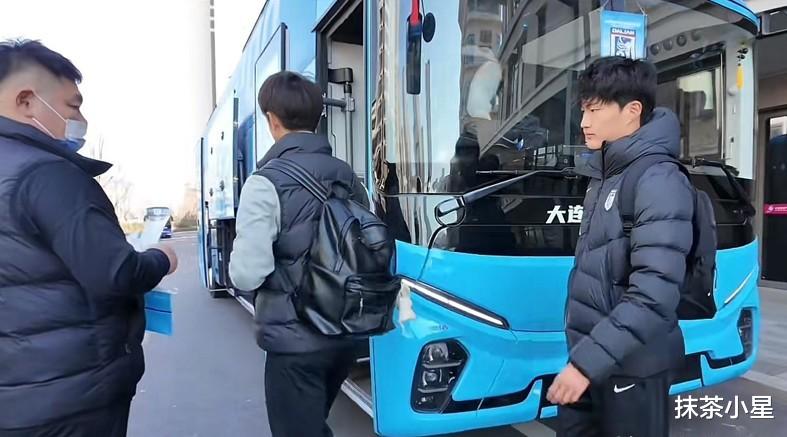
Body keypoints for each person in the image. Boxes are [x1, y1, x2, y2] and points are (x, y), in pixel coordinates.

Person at [0, 39, 178, 436]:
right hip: (70, 396)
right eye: (73, 105)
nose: (82, 119)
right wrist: (161, 257)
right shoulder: (46, 174)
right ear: (26, 101)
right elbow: (115, 272)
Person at [547, 56, 693, 437]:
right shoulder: (605, 174)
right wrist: (584, 361)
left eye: (594, 110)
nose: (584, 122)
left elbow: (654, 294)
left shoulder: (658, 179)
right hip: (591, 359)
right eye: (583, 110)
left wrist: (585, 364)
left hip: (632, 368)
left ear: (632, 111)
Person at [229, 71, 366, 437]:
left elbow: (247, 274)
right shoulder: (347, 175)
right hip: (345, 334)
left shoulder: (265, 182)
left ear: (272, 120)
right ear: (317, 118)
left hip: (295, 342)